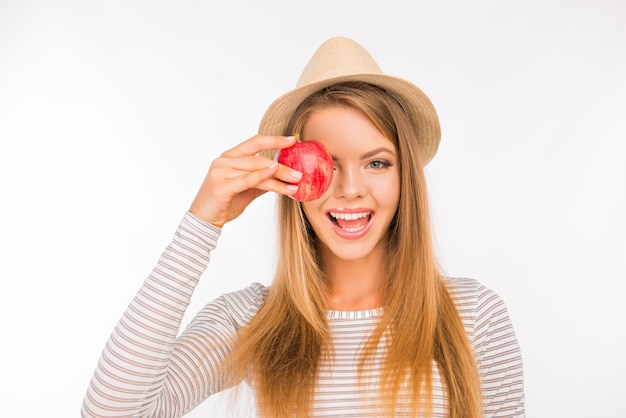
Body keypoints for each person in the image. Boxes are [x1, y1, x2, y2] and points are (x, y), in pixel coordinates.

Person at [81, 36, 525, 417]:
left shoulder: (475, 316)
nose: (351, 189)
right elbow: (111, 411)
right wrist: (202, 222)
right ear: (292, 182)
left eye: (376, 162)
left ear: (405, 175)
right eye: (327, 165)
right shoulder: (249, 321)